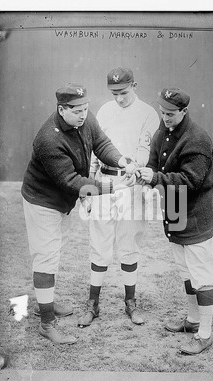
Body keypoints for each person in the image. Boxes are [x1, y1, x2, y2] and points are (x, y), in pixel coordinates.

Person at [21, 83, 132, 344]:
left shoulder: (84, 117)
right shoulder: (49, 138)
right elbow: (72, 181)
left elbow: (102, 143)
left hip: (61, 201)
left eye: (85, 108)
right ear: (61, 109)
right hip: (43, 201)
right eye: (77, 110)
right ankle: (46, 323)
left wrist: (122, 161)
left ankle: (42, 303)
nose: (83, 115)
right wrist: (114, 185)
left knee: (53, 252)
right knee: (46, 257)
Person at [139, 87, 213, 355]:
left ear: (184, 111)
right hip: (174, 210)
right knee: (185, 270)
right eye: (162, 112)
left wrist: (154, 179)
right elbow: (153, 165)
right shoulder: (162, 132)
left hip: (197, 214)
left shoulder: (197, 139)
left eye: (171, 113)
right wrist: (142, 174)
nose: (165, 117)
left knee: (202, 274)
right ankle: (193, 319)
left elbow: (190, 181)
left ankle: (205, 333)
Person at [77, 67, 159, 327]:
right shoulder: (104, 111)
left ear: (135, 84)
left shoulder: (148, 113)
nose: (119, 98)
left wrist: (136, 169)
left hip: (131, 183)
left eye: (123, 92)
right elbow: (93, 152)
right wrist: (89, 187)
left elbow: (146, 147)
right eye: (114, 93)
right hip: (103, 181)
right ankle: (93, 304)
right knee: (99, 244)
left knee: (129, 243)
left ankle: (130, 302)